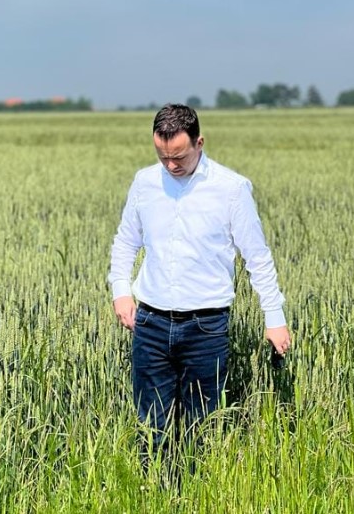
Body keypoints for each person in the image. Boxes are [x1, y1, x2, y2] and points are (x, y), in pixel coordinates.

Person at [108, 103, 291, 456]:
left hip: (206, 327)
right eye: (162, 157)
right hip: (150, 322)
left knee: (201, 429)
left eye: (179, 156)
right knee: (151, 428)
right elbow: (125, 241)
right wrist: (121, 291)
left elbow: (258, 257)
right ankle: (151, 497)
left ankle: (195, 497)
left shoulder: (231, 189)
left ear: (199, 142)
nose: (171, 165)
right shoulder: (145, 182)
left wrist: (275, 319)